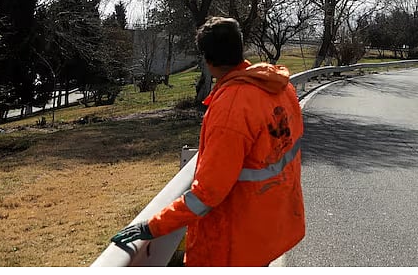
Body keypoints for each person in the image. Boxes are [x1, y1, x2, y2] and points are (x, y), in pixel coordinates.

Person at [110, 17, 306, 266]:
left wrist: (153, 226)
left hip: (236, 241)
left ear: (206, 58)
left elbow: (207, 194)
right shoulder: (280, 90)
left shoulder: (232, 107)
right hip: (269, 227)